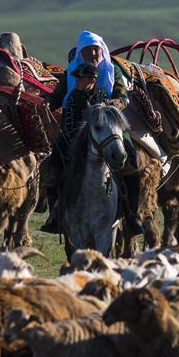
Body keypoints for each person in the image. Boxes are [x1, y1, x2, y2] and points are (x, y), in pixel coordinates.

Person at [41, 31, 143, 236]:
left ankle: (132, 215)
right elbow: (58, 96)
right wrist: (46, 104)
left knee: (132, 160)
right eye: (88, 50)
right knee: (54, 163)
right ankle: (54, 213)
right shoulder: (72, 72)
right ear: (82, 52)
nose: (93, 53)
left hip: (108, 125)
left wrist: (115, 102)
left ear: (101, 49)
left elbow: (122, 95)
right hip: (74, 126)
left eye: (96, 49)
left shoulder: (112, 70)